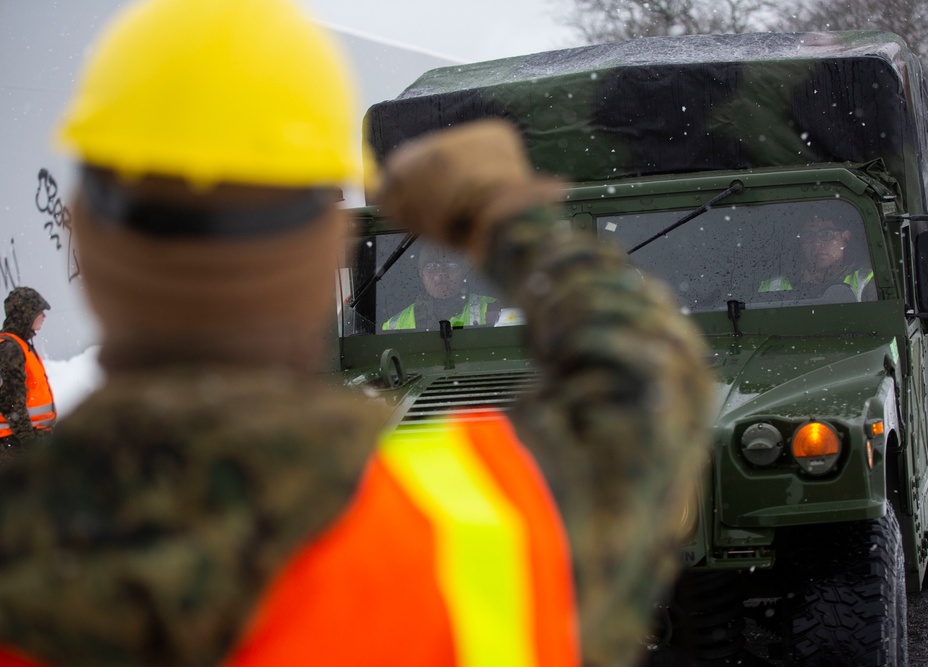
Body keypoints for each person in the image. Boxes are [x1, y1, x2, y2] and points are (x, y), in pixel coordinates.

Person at [0, 1, 712, 666]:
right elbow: (651, 387)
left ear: (83, 240)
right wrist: (505, 217)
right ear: (330, 245)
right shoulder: (469, 524)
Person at [759, 213, 875, 301]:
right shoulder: (773, 287)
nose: (816, 243)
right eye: (808, 236)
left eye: (826, 234)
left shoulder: (868, 283)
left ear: (845, 239)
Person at [382, 243, 498, 330]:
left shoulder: (493, 309)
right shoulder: (392, 327)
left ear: (464, 271)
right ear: (420, 273)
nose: (441, 273)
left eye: (451, 265)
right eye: (431, 265)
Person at [0, 287, 56, 465]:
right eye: (39, 311)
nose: (44, 316)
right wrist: (30, 442)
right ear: (26, 315)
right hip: (16, 444)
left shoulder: (20, 345)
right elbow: (11, 403)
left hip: (22, 441)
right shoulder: (10, 349)